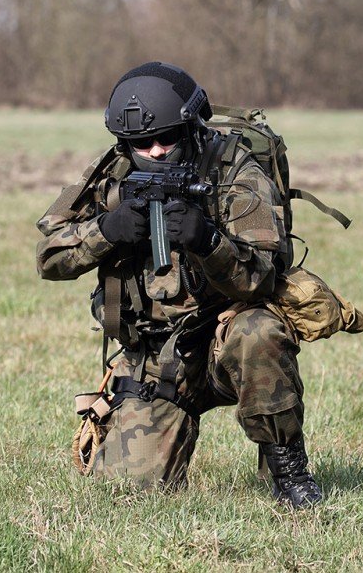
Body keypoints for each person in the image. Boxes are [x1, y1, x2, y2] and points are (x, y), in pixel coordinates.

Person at [35, 62, 322, 507]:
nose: (153, 150)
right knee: (128, 494)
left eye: (166, 138)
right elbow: (50, 259)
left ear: (191, 128)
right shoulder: (111, 176)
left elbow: (263, 278)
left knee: (259, 332)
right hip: (157, 358)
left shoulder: (233, 170)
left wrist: (209, 241)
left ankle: (289, 469)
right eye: (139, 143)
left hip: (225, 340)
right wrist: (106, 231)